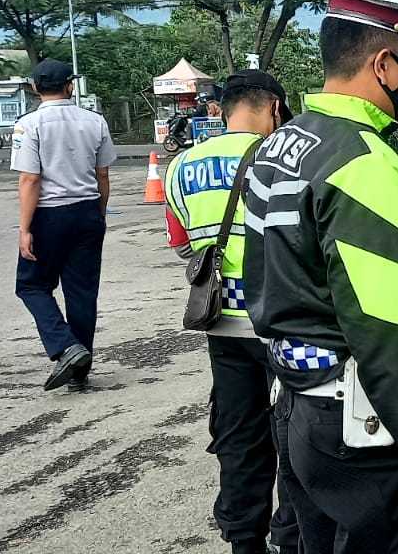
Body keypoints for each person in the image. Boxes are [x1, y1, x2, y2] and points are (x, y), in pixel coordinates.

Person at [242, 0, 398, 554]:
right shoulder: (364, 164)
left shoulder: (277, 145)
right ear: (384, 65)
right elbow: (396, 339)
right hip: (363, 433)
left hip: (299, 406)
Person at [163, 70, 300, 554]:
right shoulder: (281, 161)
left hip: (221, 324)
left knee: (238, 435)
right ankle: (291, 533)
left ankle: (245, 539)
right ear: (275, 109)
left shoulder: (180, 166)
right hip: (280, 322)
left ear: (220, 109)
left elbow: (182, 246)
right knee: (294, 432)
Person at [11, 59, 115, 392]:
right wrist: (98, 214)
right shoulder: (94, 121)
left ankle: (66, 347)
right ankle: (80, 370)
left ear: (35, 88)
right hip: (87, 211)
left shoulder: (28, 124)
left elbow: (30, 178)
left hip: (49, 215)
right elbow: (103, 175)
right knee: (82, 293)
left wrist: (25, 228)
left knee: (31, 285)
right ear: (70, 85)